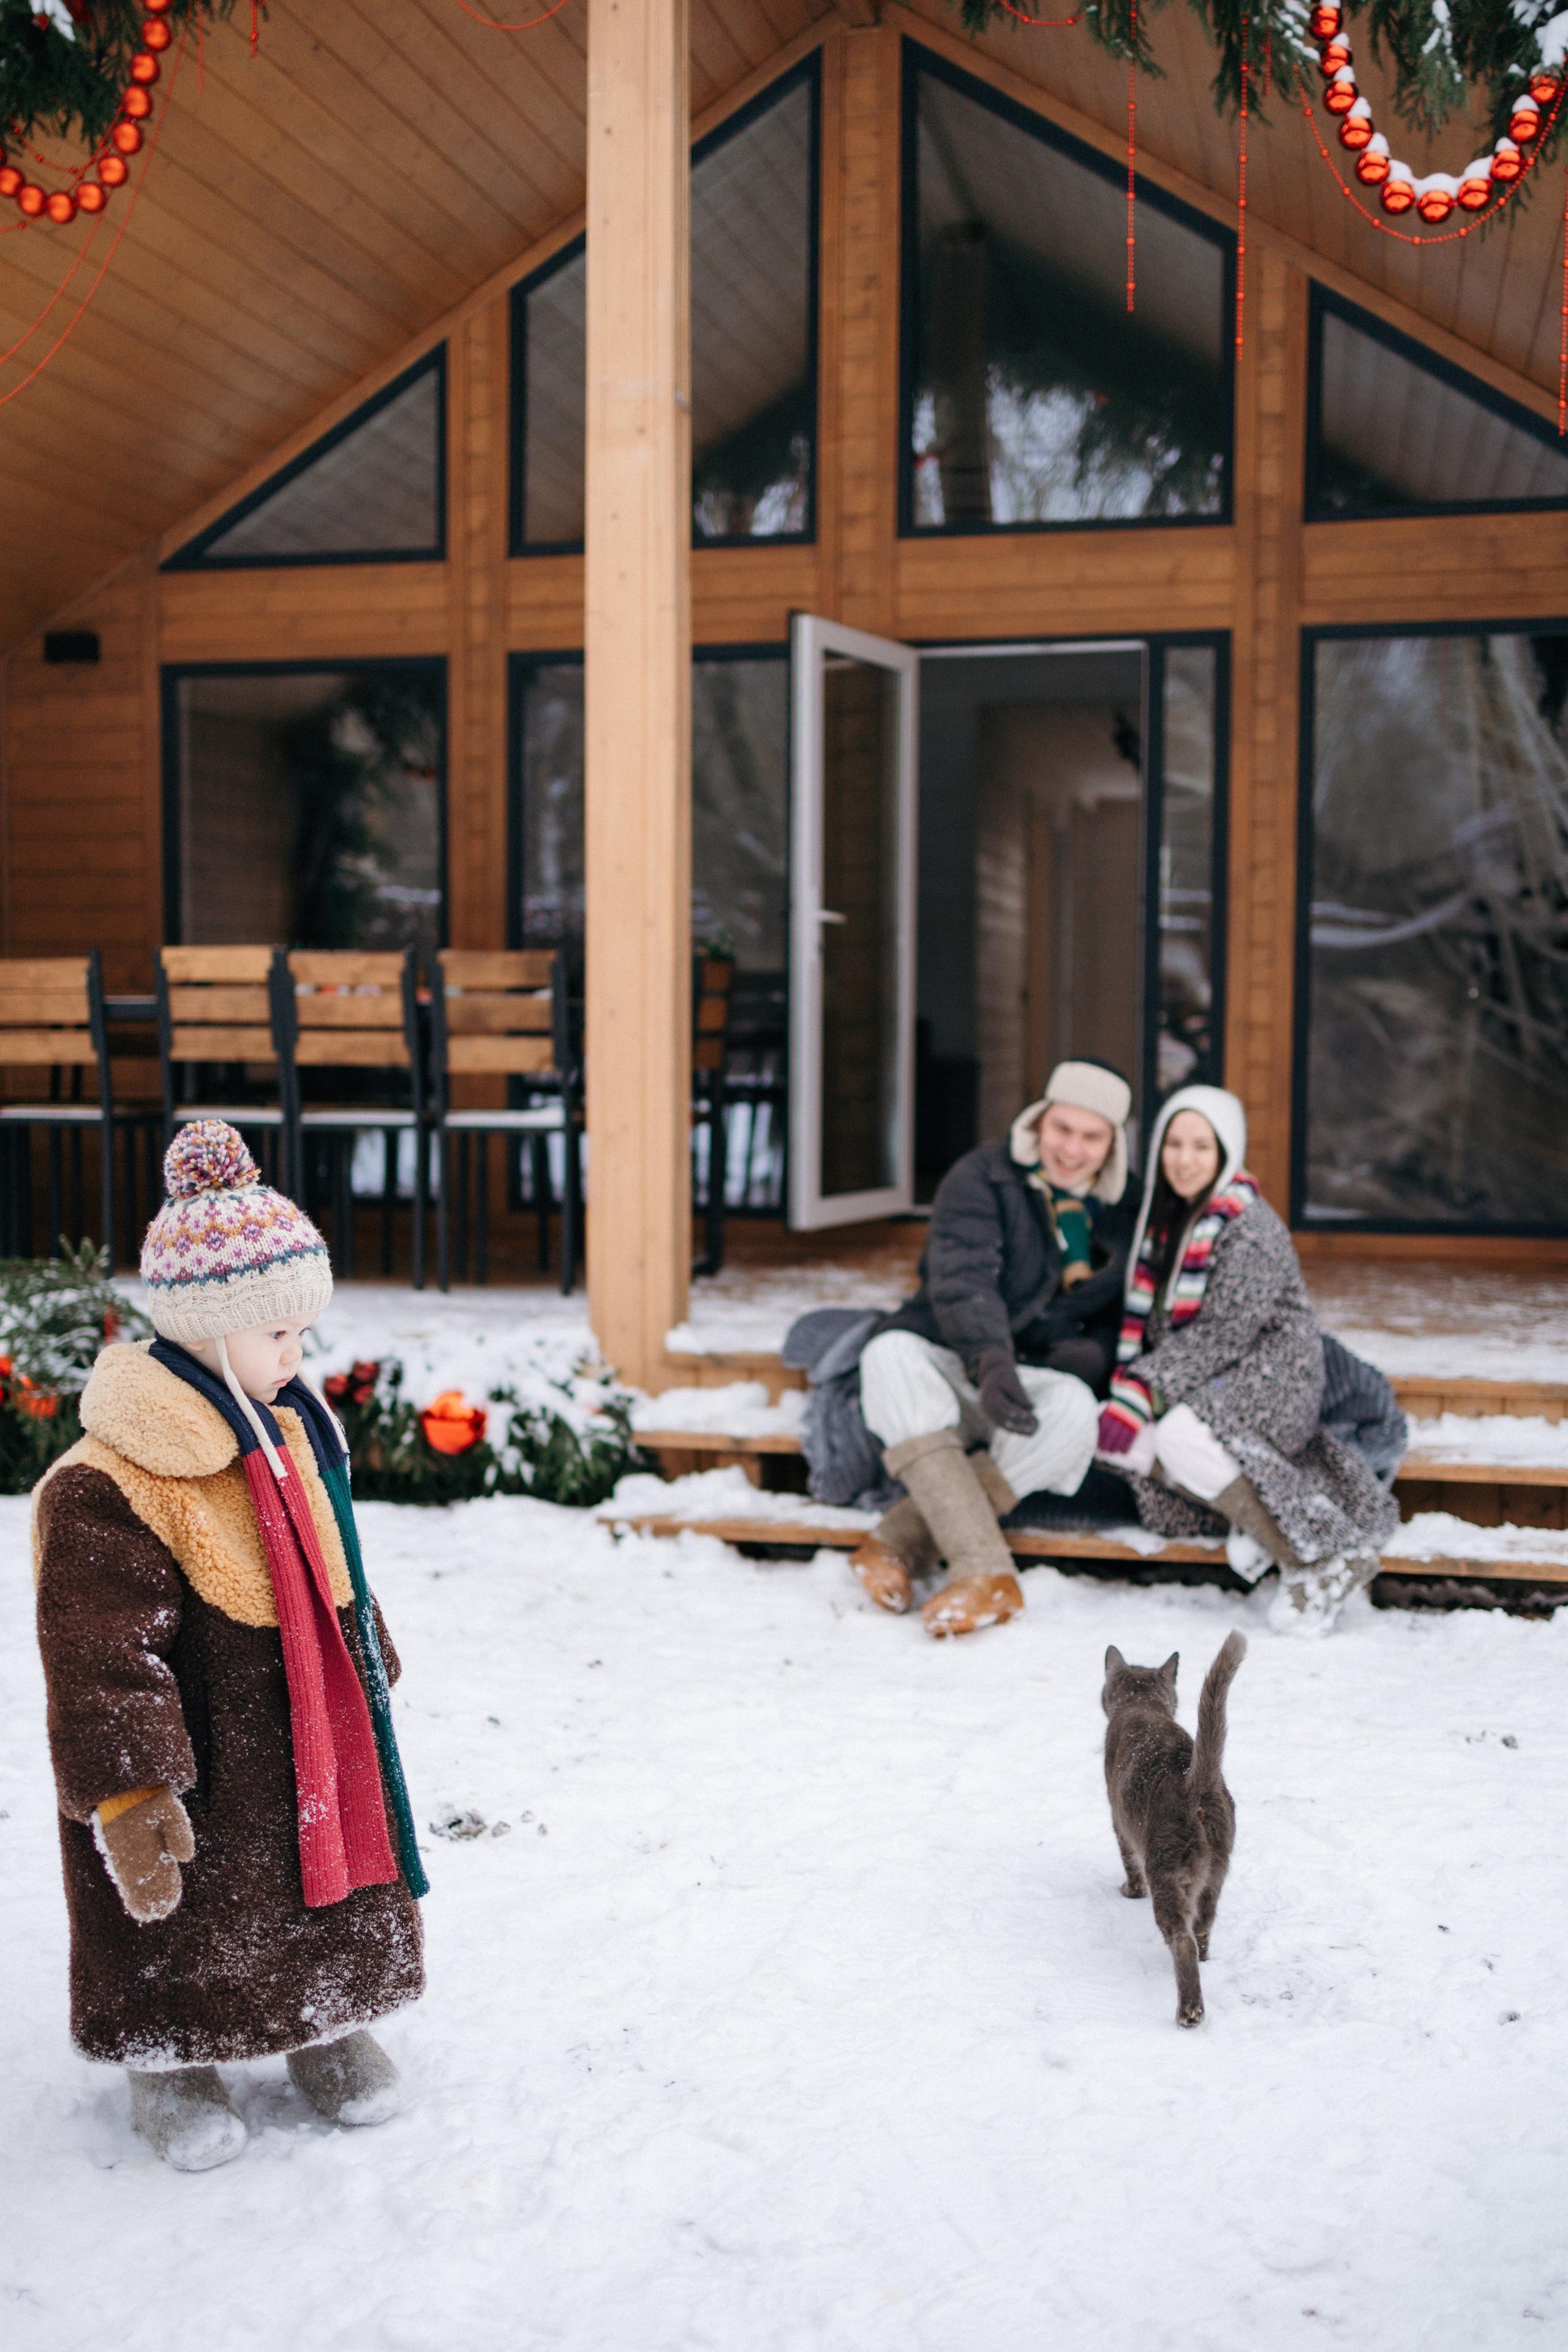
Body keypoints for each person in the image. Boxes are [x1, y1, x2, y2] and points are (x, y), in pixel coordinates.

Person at [32, 1121, 426, 2171]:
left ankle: (326, 2024)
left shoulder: (286, 1428)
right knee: (191, 1905)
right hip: (199, 1747)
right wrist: (130, 1790)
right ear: (208, 1327)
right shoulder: (113, 1482)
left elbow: (333, 1556)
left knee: (317, 1868)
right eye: (279, 1334)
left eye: (304, 1331)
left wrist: (367, 1650)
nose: (299, 1355)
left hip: (307, 1714)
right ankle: (171, 2057)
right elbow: (100, 1654)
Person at [1096, 1085, 1398, 1635]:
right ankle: (1257, 1521)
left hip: (1275, 1376)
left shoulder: (1249, 1226)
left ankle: (1320, 1555)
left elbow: (1223, 1334)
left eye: (1201, 1147)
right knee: (1122, 1439)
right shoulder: (1169, 1220)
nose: (1185, 1160)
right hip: (1206, 1376)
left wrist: (1141, 1391)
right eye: (1174, 1144)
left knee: (1176, 1436)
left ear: (1225, 1153)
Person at [850, 1060, 1137, 1637]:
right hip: (957, 1355)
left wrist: (1096, 1353)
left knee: (1077, 1410)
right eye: (1063, 1129)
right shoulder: (982, 1176)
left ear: (1113, 1144)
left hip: (1031, 1380)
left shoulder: (1129, 1208)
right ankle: (986, 1573)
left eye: (1092, 1135)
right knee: (887, 1356)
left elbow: (1129, 1312)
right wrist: (990, 1358)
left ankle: (895, 1544)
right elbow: (962, 1279)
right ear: (1040, 1121)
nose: (1073, 1149)